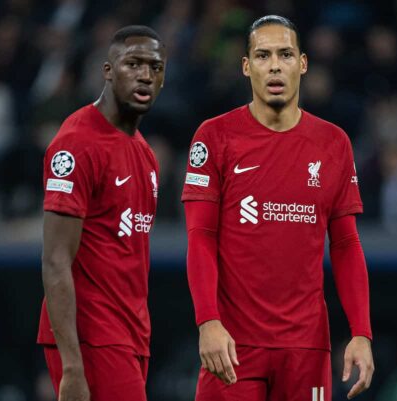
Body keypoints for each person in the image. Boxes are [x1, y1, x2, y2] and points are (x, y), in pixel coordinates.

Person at [182, 15, 374, 401]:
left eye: (285, 54)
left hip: (306, 347)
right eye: (263, 55)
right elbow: (201, 237)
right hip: (232, 347)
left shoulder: (333, 143)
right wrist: (208, 322)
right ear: (246, 66)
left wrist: (361, 332)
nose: (274, 65)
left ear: (302, 63)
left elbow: (346, 245)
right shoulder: (214, 137)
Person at [37, 26, 166, 401]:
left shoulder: (145, 154)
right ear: (108, 70)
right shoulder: (77, 144)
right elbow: (55, 259)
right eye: (133, 64)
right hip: (91, 337)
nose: (145, 75)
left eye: (155, 67)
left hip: (132, 335)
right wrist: (73, 368)